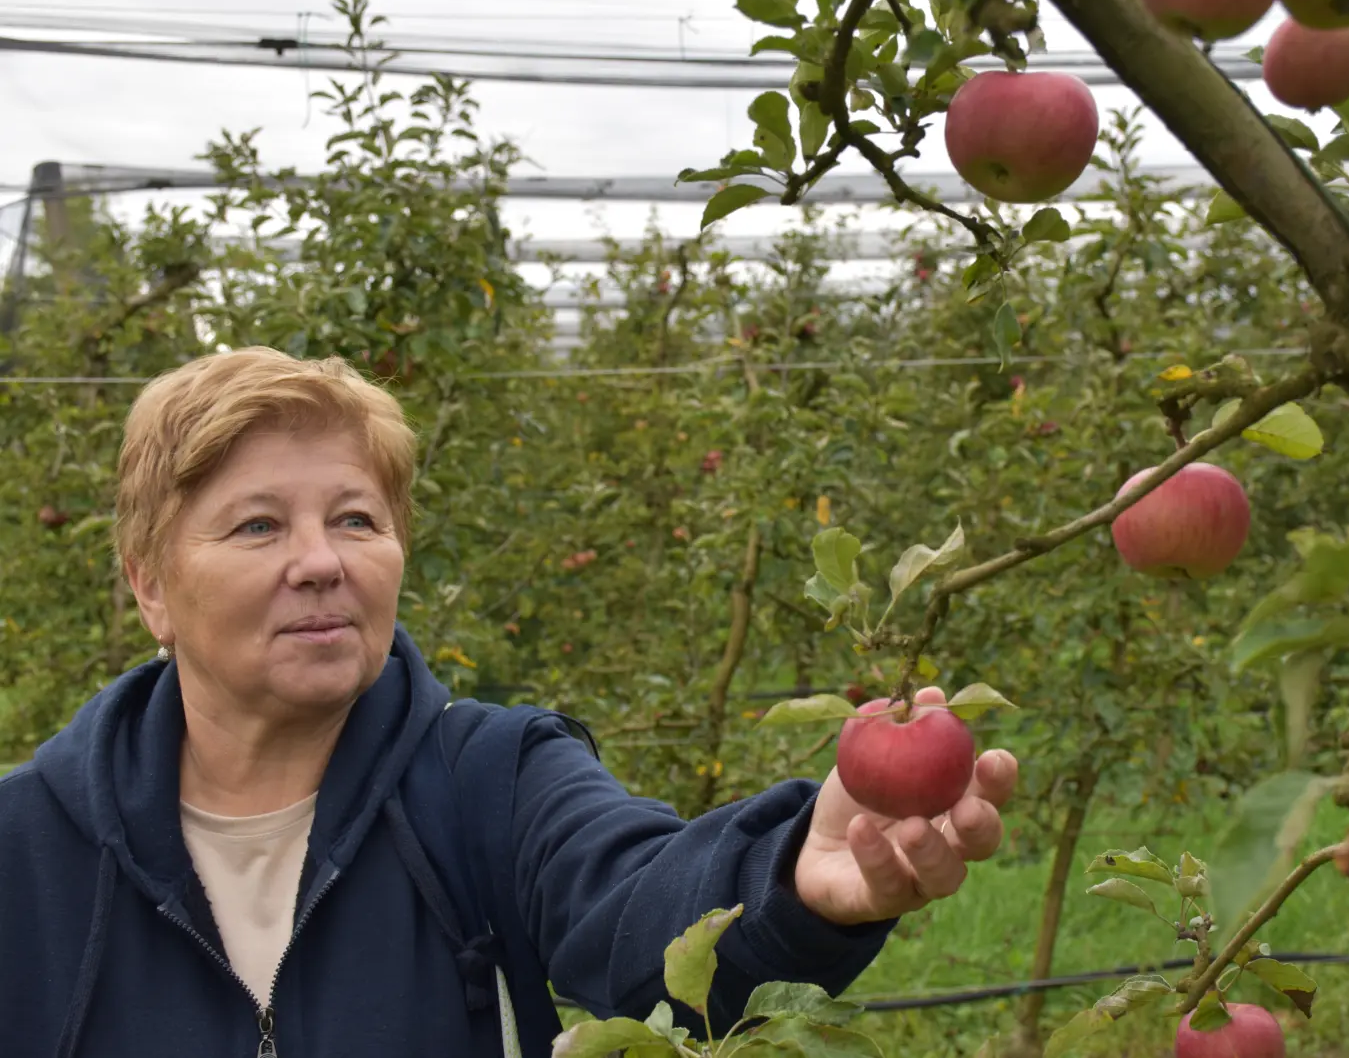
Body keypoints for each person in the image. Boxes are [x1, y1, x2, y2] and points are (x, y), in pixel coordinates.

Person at [0, 346, 1019, 1058]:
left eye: (355, 517)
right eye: (258, 526)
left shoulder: (491, 777)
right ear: (150, 585)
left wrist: (791, 874)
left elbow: (637, 909)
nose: (320, 561)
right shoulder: (26, 844)